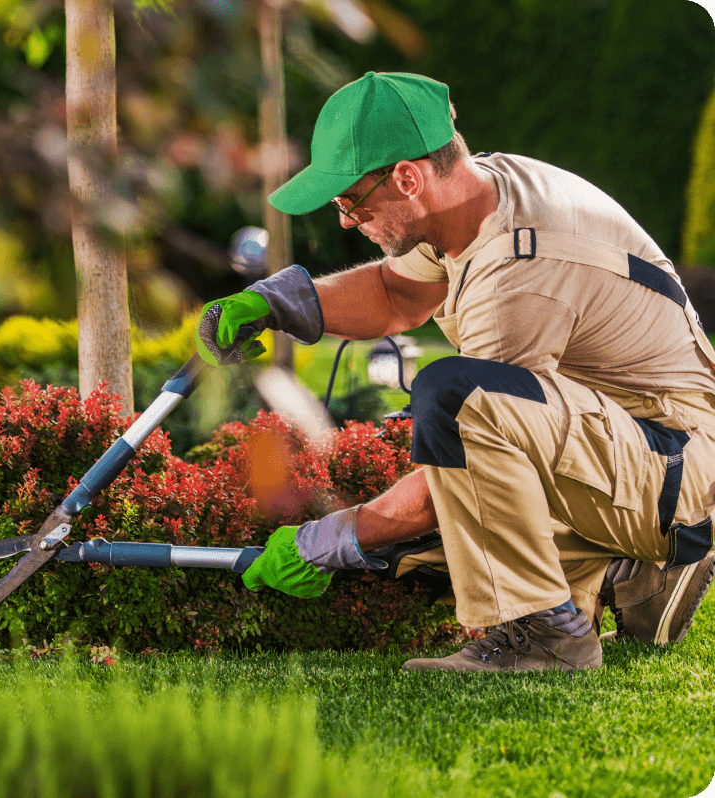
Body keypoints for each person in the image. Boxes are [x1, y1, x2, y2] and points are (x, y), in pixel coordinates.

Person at [194, 71, 715, 672]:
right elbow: (398, 296)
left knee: (449, 408)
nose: (344, 221)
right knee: (436, 533)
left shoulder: (519, 270)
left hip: (671, 473)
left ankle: (548, 635)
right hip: (635, 443)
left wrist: (326, 541)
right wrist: (280, 303)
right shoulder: (478, 196)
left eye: (350, 201)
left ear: (409, 177)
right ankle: (630, 575)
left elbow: (469, 440)